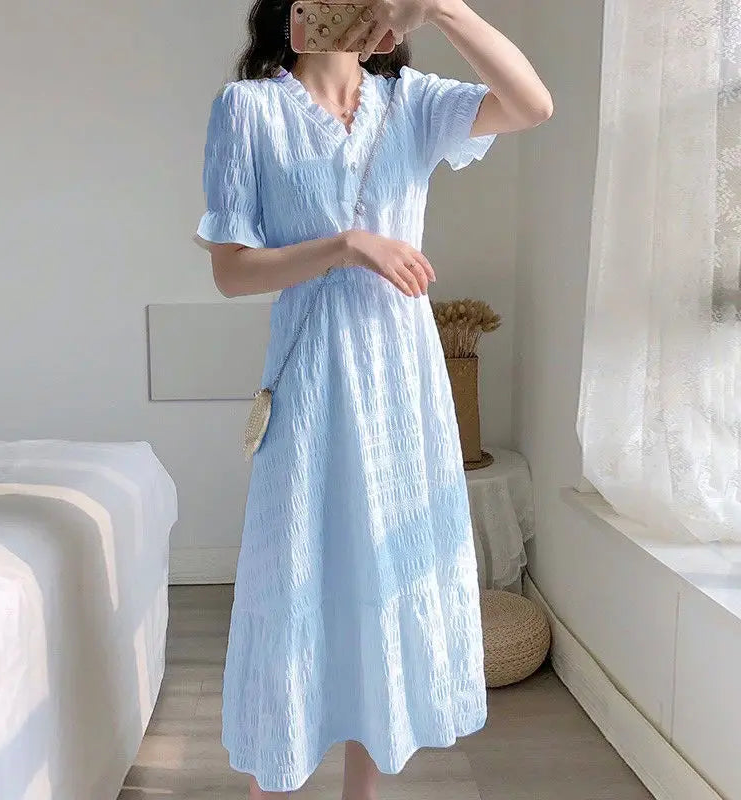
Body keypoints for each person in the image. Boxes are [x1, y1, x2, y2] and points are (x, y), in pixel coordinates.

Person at [194, 1, 551, 797]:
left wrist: (445, 8)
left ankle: (362, 787)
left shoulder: (412, 104)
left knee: (383, 570)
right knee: (295, 568)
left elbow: (532, 104)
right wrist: (345, 246)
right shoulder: (248, 110)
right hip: (312, 370)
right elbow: (231, 271)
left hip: (401, 378)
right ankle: (273, 777)